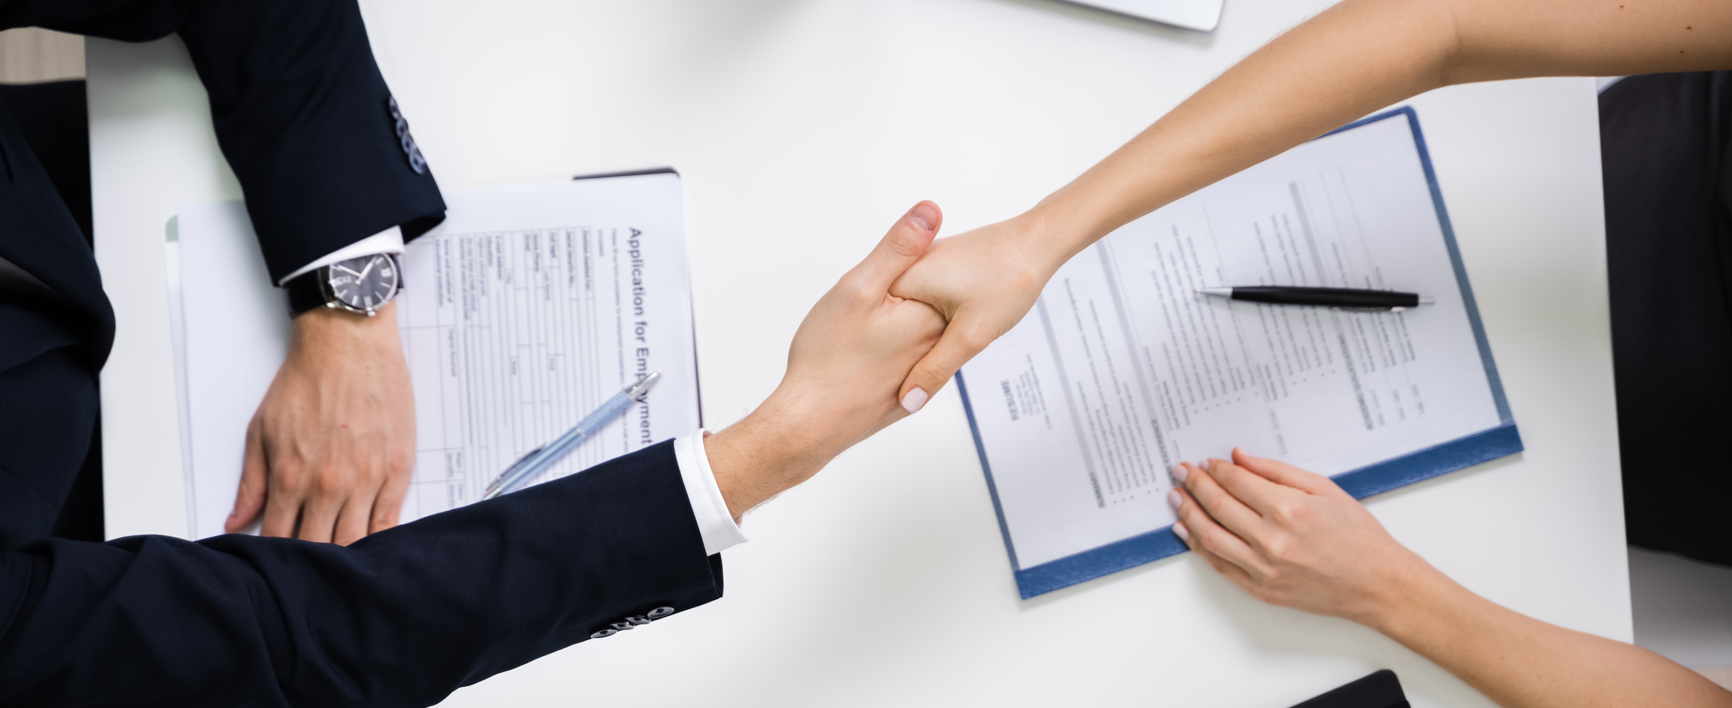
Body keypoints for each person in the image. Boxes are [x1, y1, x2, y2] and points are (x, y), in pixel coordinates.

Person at [880, 0, 1732, 704]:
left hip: (1610, 470)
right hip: (1572, 191)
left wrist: (1388, 592)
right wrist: (1040, 238)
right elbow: (1443, 28)